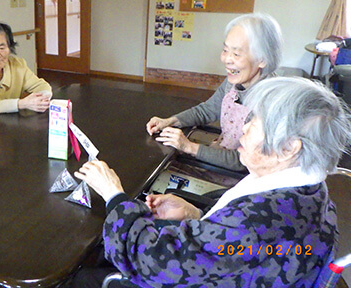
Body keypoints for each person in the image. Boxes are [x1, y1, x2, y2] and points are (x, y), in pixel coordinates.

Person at [72, 77, 350, 288]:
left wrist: (114, 195)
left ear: (289, 148)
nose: (243, 127)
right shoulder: (312, 193)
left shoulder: (257, 223)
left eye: (255, 123)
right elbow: (235, 250)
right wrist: (197, 216)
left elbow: (151, 260)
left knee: (83, 274)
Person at [146, 13, 283, 172]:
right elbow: (208, 109)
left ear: (263, 59)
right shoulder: (236, 80)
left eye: (236, 54)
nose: (227, 59)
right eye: (225, 50)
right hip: (220, 154)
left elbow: (242, 161)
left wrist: (189, 147)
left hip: (237, 177)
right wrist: (170, 121)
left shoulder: (270, 101)